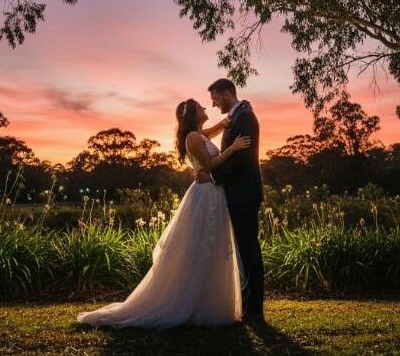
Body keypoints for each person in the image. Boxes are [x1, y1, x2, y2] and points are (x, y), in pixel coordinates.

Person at [77, 97, 251, 328]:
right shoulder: (192, 137)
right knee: (202, 245)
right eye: (201, 107)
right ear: (192, 115)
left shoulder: (198, 135)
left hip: (213, 194)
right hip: (206, 194)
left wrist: (227, 121)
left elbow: (210, 132)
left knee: (212, 246)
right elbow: (210, 166)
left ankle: (207, 304)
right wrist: (234, 148)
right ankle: (191, 303)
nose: (205, 107)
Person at [195, 78, 265, 323]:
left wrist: (212, 176)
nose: (214, 105)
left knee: (249, 250)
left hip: (244, 194)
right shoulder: (237, 116)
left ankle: (255, 310)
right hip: (236, 193)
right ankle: (248, 305)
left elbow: (244, 159)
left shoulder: (244, 116)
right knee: (244, 251)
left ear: (226, 94)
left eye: (215, 99)